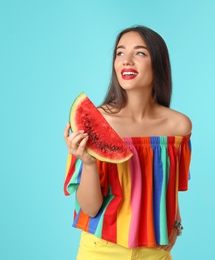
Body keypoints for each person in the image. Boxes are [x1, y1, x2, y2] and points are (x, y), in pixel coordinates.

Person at [63, 25, 192, 260]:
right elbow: (90, 209)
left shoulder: (179, 127)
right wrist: (88, 163)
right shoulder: (95, 124)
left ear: (158, 64)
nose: (126, 61)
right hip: (101, 249)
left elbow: (171, 186)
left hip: (155, 252)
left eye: (140, 53)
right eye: (120, 53)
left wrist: (176, 223)